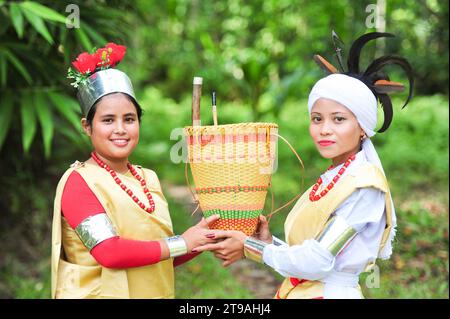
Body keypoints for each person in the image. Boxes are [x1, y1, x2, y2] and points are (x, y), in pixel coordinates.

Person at [194, 32, 414, 299]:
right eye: (317, 118)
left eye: (339, 119)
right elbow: (307, 253)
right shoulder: (335, 177)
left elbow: (318, 262)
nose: (325, 129)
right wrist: (266, 243)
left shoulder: (364, 185)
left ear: (363, 128)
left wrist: (249, 247)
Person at [51, 43, 219, 299]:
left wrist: (200, 238)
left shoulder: (147, 178)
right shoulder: (79, 181)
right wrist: (182, 242)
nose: (120, 129)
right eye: (108, 120)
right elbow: (110, 253)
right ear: (87, 126)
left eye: (129, 119)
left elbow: (159, 254)